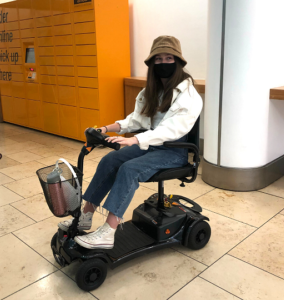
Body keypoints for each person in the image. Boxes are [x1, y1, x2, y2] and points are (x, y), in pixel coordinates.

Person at [58, 35, 203, 249]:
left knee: (129, 169)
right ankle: (85, 215)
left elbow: (171, 129)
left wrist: (135, 140)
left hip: (174, 151)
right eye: (158, 59)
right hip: (150, 144)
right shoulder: (151, 91)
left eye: (169, 58)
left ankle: (109, 231)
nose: (163, 63)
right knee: (109, 161)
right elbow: (136, 119)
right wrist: (107, 128)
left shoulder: (189, 95)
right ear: (152, 63)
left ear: (179, 62)